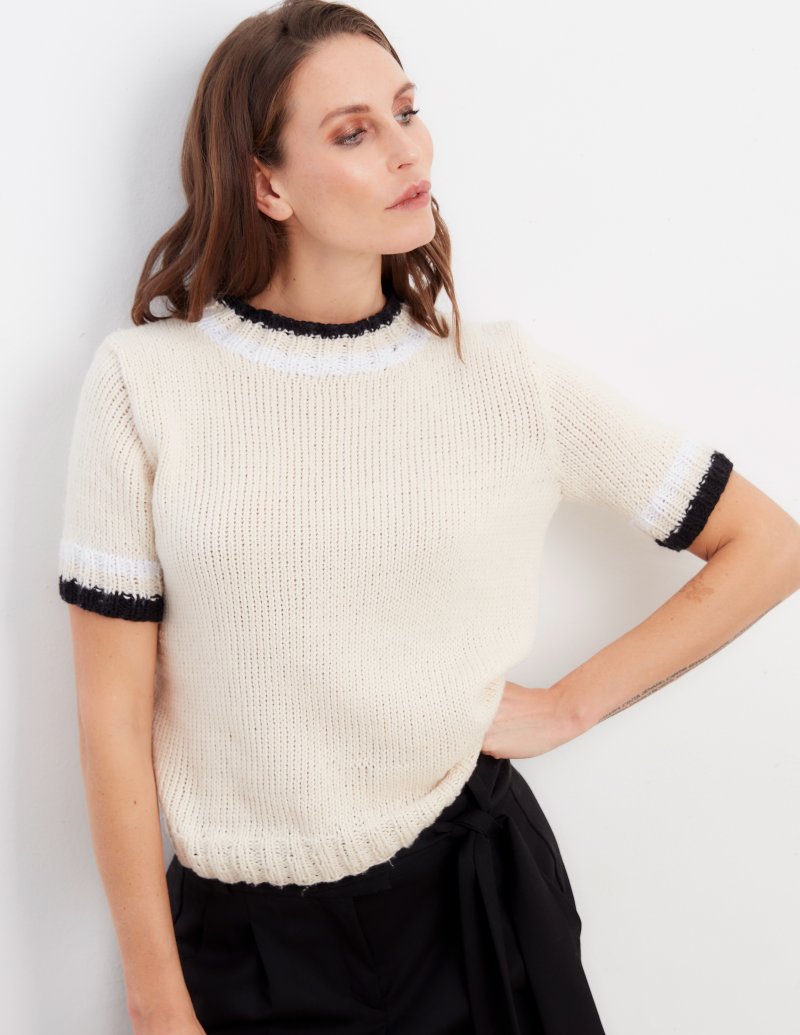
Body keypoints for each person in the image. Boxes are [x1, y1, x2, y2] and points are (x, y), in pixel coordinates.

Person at [57, 2, 800, 1033]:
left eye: (406, 112)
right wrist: (156, 998)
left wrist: (569, 706)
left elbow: (767, 543)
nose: (409, 150)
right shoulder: (144, 386)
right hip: (248, 946)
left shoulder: (503, 380)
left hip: (476, 907)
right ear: (267, 184)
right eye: (353, 132)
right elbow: (110, 717)